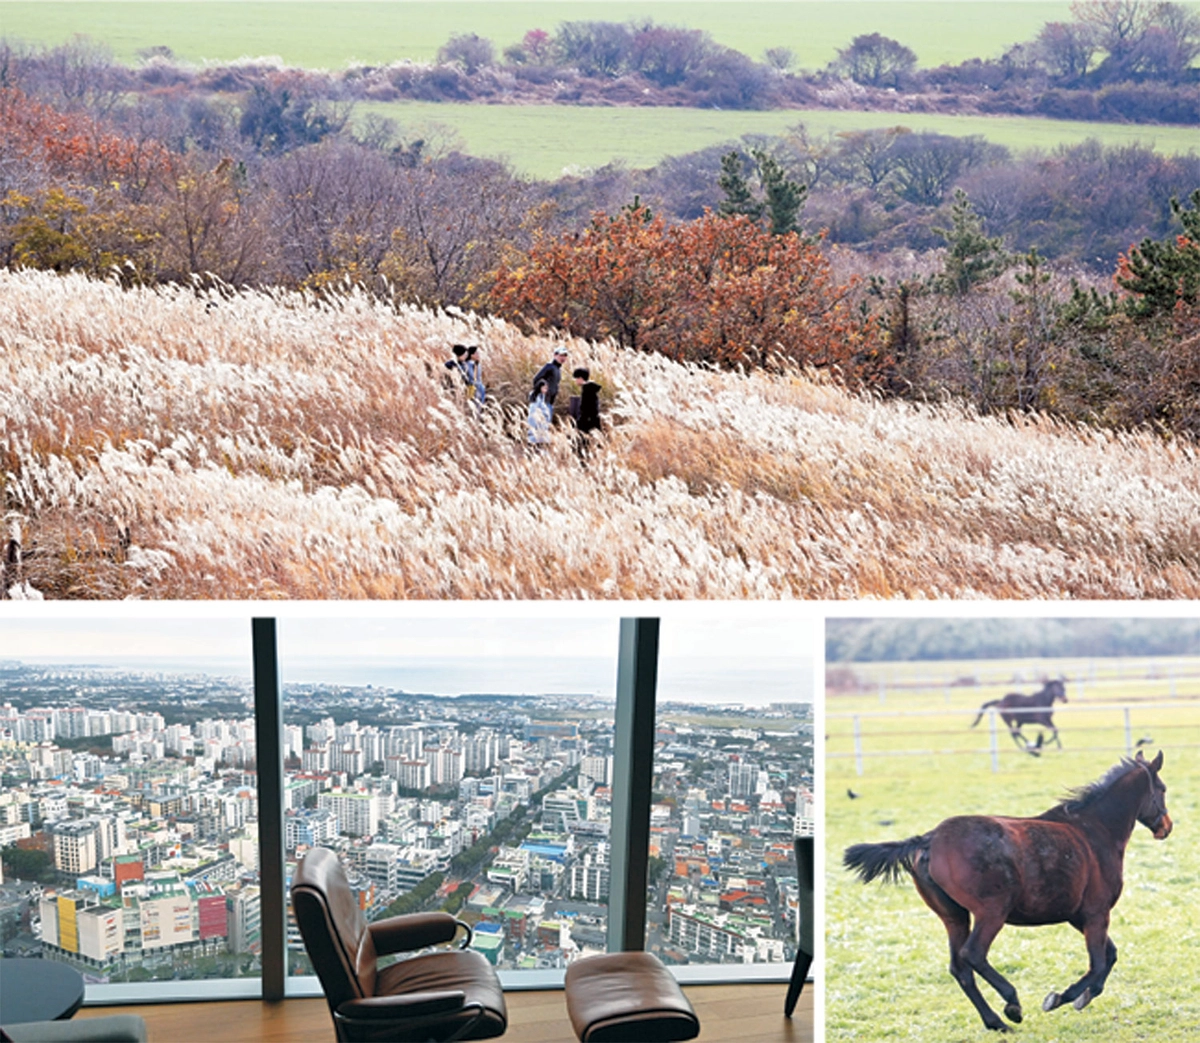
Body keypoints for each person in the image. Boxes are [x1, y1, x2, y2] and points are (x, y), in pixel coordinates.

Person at [568, 366, 602, 461]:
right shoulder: (591, 389)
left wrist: (580, 423)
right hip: (593, 421)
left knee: (582, 445)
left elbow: (586, 409)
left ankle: (583, 462)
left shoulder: (587, 391)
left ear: (580, 378)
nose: (575, 381)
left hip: (586, 422)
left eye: (576, 378)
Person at [527, 379, 553, 450]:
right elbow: (533, 412)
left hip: (542, 424)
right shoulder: (536, 399)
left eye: (546, 388)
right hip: (537, 424)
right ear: (540, 387)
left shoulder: (541, 397)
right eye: (544, 388)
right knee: (538, 442)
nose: (546, 390)